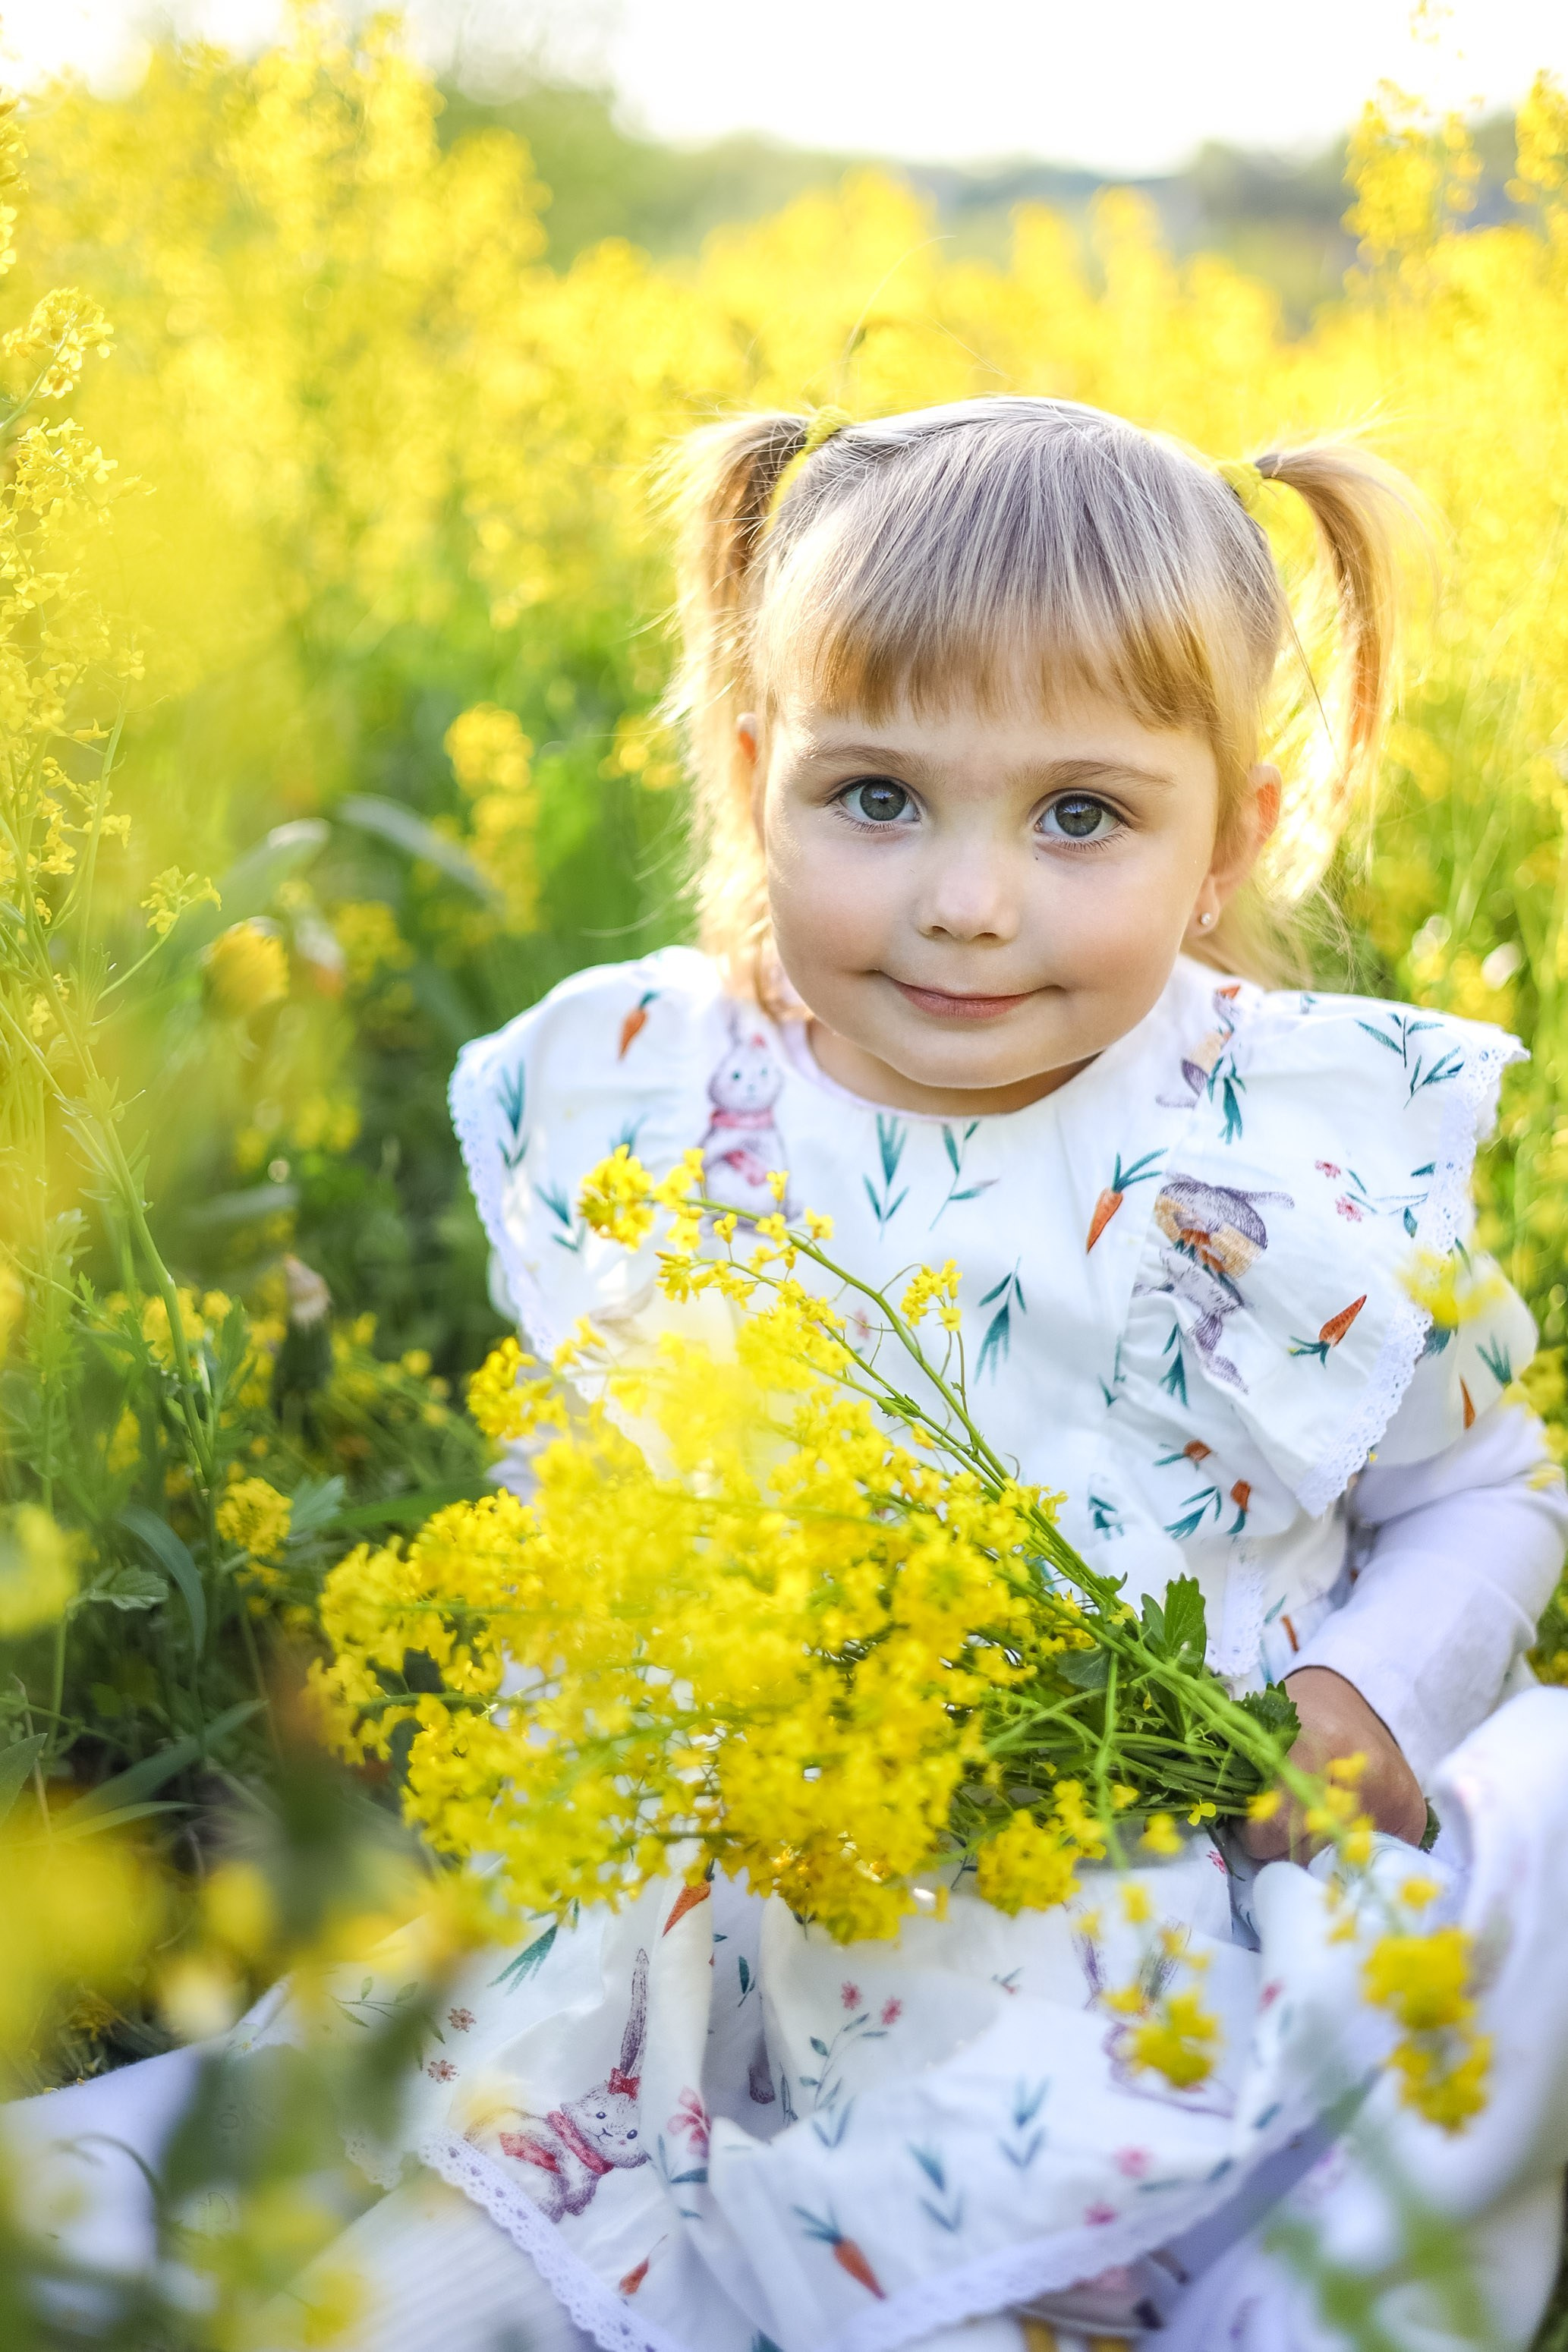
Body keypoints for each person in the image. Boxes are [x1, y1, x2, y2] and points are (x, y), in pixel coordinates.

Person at [14, 397, 1568, 2352]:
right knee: (361, 2233)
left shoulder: (1275, 1147)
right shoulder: (668, 1099)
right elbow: (578, 1502)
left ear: (1230, 838)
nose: (968, 899)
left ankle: (1213, 2291)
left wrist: (1360, 1696)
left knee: (1552, 1828)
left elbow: (1487, 1487)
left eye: (1079, 814)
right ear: (757, 776)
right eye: (879, 798)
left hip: (1145, 1906)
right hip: (718, 1928)